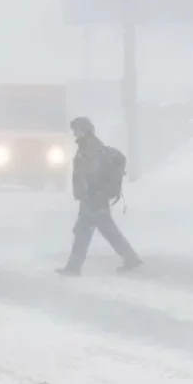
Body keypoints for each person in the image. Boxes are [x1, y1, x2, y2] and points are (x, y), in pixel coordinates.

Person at [56, 116, 142, 276]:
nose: (75, 134)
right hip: (92, 197)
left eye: (77, 130)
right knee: (92, 232)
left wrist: (89, 191)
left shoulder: (91, 147)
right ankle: (130, 258)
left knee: (90, 232)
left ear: (85, 130)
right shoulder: (87, 145)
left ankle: (74, 268)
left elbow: (91, 172)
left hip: (93, 198)